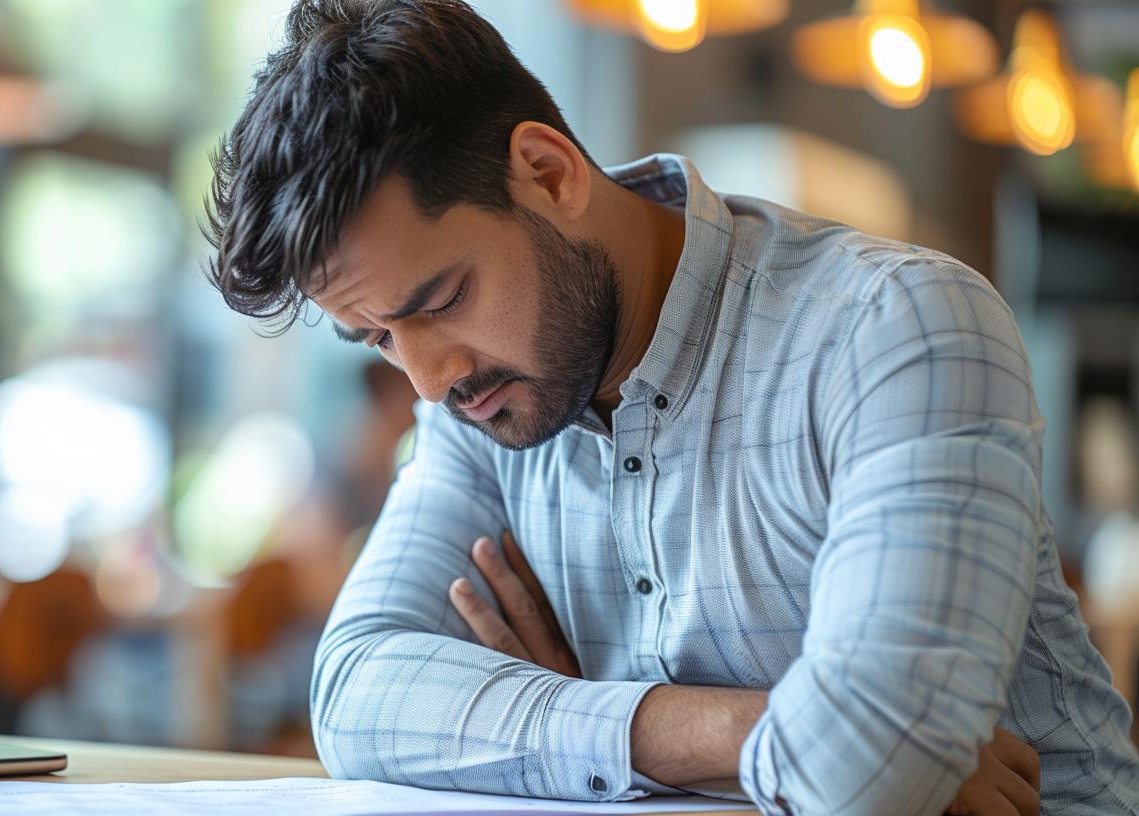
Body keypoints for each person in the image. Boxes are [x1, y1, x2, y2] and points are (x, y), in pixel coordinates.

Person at [203, 1, 1139, 812]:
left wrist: (542, 725)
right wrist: (704, 728)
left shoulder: (896, 327)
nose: (429, 380)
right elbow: (359, 695)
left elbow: (870, 773)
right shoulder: (481, 405)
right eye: (376, 339)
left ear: (549, 172)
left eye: (441, 300)